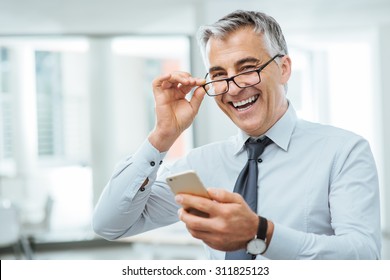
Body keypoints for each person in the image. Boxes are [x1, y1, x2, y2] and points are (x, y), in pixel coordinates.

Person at [92, 10, 381, 259]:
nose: (233, 88)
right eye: (218, 75)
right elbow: (109, 224)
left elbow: (363, 254)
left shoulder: (344, 151)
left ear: (283, 69)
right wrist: (162, 136)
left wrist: (262, 233)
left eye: (248, 68)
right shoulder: (200, 164)